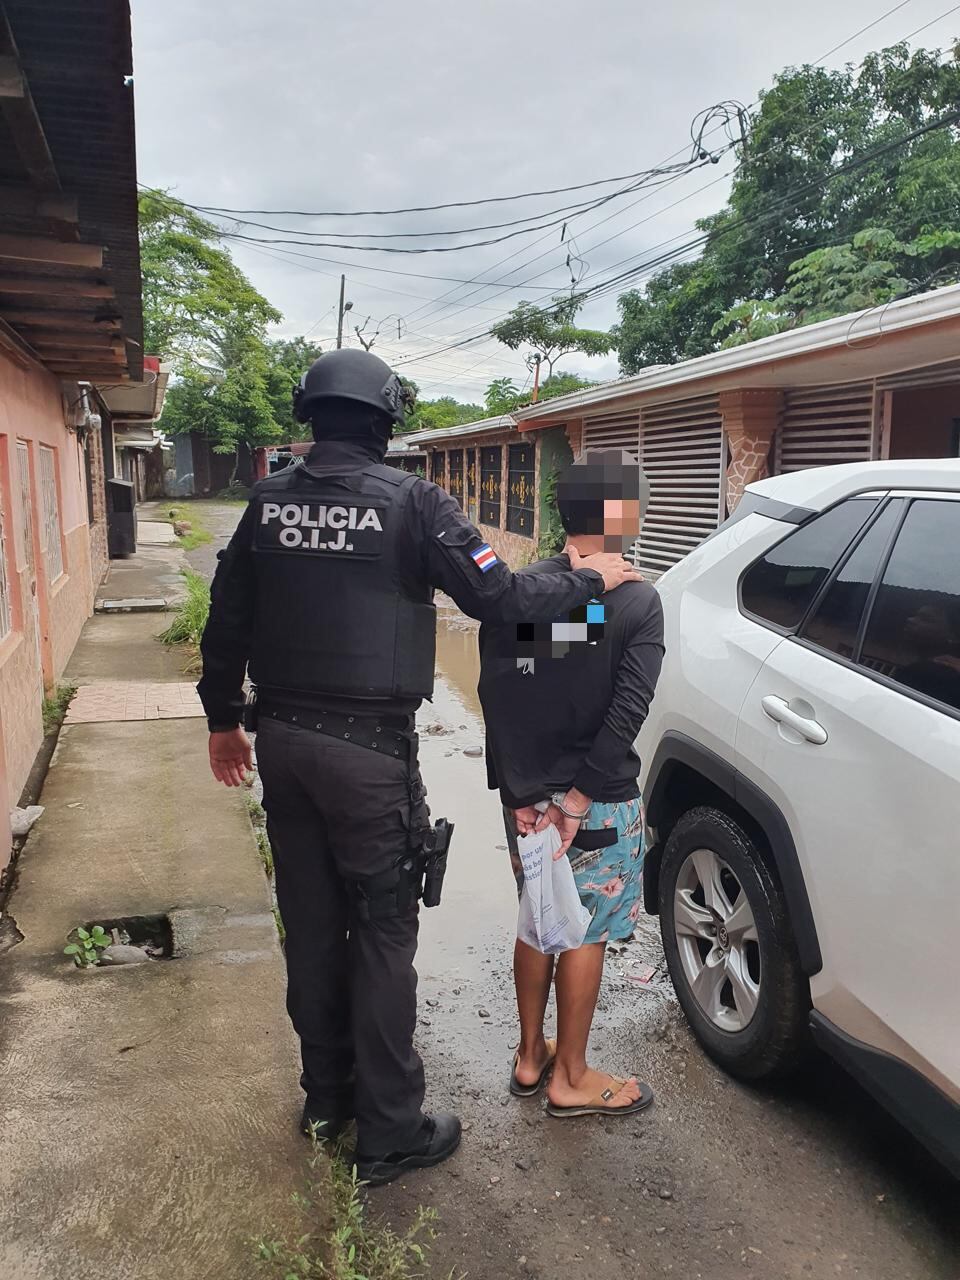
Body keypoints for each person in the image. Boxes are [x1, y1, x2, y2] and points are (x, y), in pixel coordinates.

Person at [196, 350, 646, 1186]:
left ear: (310, 415)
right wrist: (585, 582)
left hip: (285, 749)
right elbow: (502, 604)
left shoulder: (266, 504)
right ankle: (392, 1130)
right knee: (380, 935)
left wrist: (224, 721)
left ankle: (328, 1099)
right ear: (386, 419)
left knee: (312, 927)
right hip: (367, 757)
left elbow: (226, 623)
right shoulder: (413, 503)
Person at [477, 449, 665, 1119]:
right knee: (583, 932)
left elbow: (503, 686)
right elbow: (626, 711)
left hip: (527, 799)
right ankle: (572, 1077)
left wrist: (522, 794)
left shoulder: (527, 589)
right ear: (619, 514)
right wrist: (579, 800)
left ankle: (531, 1059)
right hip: (598, 800)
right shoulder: (638, 600)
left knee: (539, 917)